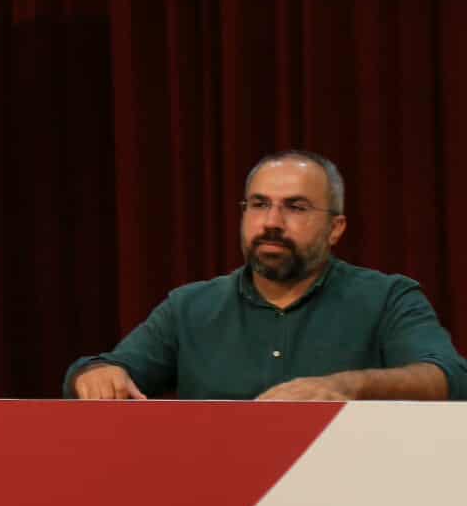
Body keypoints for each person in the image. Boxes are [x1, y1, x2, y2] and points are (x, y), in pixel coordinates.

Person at [66, 150, 467, 400]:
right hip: (222, 495)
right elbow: (107, 369)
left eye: (296, 207)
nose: (272, 222)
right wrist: (96, 374)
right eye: (259, 204)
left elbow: (450, 378)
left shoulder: (387, 298)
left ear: (336, 228)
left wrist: (347, 387)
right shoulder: (190, 307)